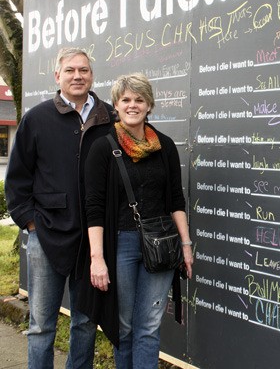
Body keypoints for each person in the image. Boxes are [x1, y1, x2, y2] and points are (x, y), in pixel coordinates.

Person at [5, 47, 114, 369]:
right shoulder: (36, 119)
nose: (77, 76)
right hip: (46, 235)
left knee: (85, 321)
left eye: (83, 70)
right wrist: (30, 223)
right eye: (70, 71)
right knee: (41, 325)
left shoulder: (109, 117)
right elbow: (18, 178)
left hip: (94, 240)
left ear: (92, 75)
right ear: (58, 76)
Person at [77, 73, 193, 369]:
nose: (133, 105)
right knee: (125, 326)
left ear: (149, 105)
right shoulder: (103, 147)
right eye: (126, 100)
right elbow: (93, 207)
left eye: (139, 99)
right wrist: (97, 258)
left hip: (161, 246)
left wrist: (186, 246)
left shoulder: (164, 145)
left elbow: (176, 201)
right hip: (121, 245)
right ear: (116, 104)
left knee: (149, 326)